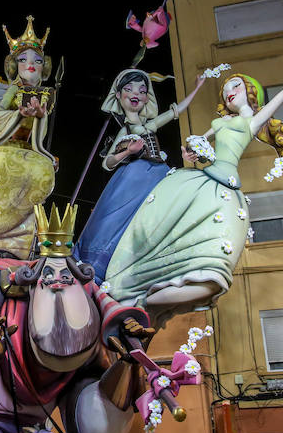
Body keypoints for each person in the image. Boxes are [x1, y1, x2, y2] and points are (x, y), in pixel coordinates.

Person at [106, 32, 283, 328]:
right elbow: (198, 144)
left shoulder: (252, 121)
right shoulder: (220, 122)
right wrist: (193, 153)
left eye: (235, 86)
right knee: (166, 228)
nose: (228, 91)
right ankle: (137, 288)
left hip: (227, 191)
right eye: (225, 88)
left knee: (217, 273)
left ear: (250, 91)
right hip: (203, 182)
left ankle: (145, 299)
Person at [76, 68, 206, 281]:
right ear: (118, 95)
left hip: (158, 174)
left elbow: (177, 110)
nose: (135, 94)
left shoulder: (150, 125)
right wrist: (128, 151)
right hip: (134, 178)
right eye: (128, 89)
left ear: (147, 97)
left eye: (142, 90)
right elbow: (107, 163)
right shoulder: (125, 131)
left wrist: (197, 88)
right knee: (119, 219)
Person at [0, 16, 57, 259]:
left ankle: (22, 247)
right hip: (4, 148)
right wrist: (18, 115)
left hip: (31, 151)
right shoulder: (14, 89)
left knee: (44, 170)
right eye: (23, 60)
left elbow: (41, 133)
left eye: (37, 60)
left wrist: (40, 116)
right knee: (4, 168)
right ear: (15, 65)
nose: (30, 65)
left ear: (44, 65)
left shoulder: (47, 93)